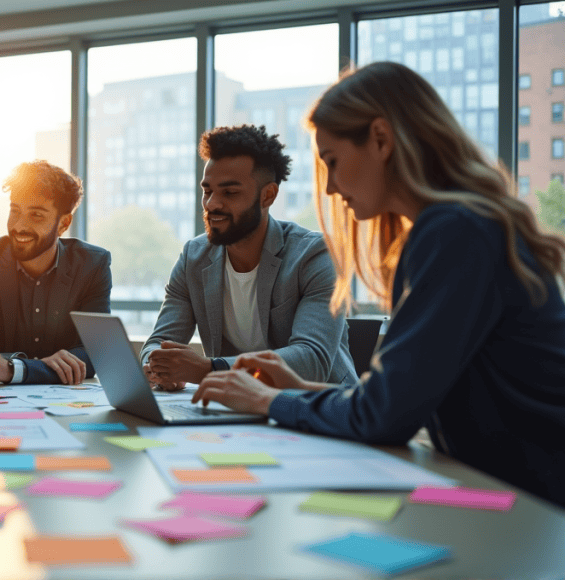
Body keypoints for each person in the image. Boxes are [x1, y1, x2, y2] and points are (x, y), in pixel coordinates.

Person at [193, 61, 565, 508]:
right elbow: (396, 400)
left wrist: (269, 402)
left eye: (332, 161)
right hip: (506, 491)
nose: (329, 187)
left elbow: (384, 417)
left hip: (536, 508)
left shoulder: (454, 231)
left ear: (382, 140)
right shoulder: (460, 225)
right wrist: (293, 391)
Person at [142, 125, 355, 390]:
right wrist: (157, 366)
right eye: (207, 191)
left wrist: (212, 369)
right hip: (237, 411)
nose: (212, 204)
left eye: (230, 193)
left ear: (267, 195)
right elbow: (160, 340)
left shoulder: (315, 255)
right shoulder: (193, 258)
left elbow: (311, 360)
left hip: (322, 412)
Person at [0, 160, 111, 385]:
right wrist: (11, 367)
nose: (19, 226)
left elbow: (96, 354)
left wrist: (12, 369)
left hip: (65, 404)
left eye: (36, 215)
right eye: (15, 211)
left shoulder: (92, 265)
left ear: (63, 223)